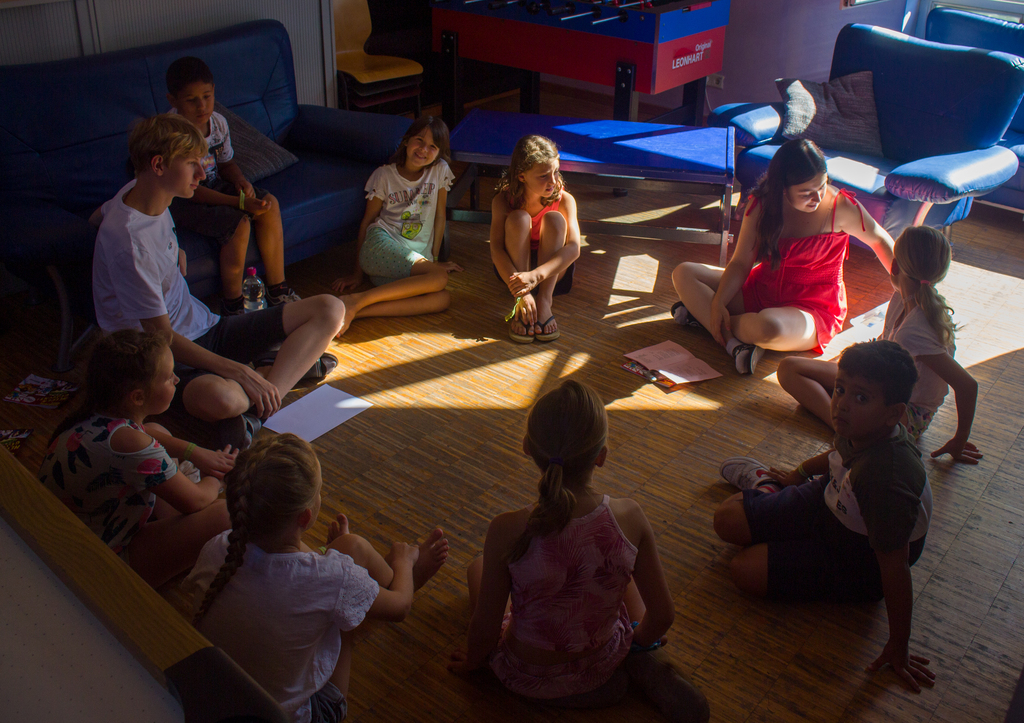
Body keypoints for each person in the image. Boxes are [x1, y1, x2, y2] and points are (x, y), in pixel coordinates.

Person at [448, 380, 709, 722]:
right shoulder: (629, 516)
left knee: (479, 567)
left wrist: (473, 660)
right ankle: (643, 661)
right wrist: (635, 643)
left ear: (527, 447)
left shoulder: (506, 529)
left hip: (527, 677)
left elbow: (485, 628)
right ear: (601, 456)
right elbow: (663, 616)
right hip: (603, 669)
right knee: (619, 569)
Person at [91, 114, 344, 450]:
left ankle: (259, 407)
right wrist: (238, 372)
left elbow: (97, 217)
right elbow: (162, 337)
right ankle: (275, 371)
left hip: (207, 326)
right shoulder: (129, 245)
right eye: (191, 164)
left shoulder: (138, 192)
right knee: (224, 400)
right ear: (158, 165)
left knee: (331, 308)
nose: (202, 174)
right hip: (162, 357)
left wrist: (174, 250)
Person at [713, 340, 935, 693]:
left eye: (860, 397)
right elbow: (837, 455)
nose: (841, 403)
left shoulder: (886, 479)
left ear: (893, 414)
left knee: (744, 570)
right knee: (726, 519)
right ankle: (771, 487)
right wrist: (797, 473)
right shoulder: (860, 427)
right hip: (831, 497)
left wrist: (899, 644)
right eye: (840, 389)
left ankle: (783, 516)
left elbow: (895, 568)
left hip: (860, 556)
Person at [183, 433, 450, 723]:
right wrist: (404, 562)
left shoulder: (219, 546)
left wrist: (337, 563)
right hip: (295, 715)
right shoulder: (333, 578)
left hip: (217, 696)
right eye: (319, 491)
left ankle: (371, 589)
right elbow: (401, 609)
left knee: (350, 551)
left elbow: (287, 572)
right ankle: (402, 581)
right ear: (305, 517)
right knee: (346, 587)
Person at [671, 139, 895, 374]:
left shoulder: (841, 207)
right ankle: (733, 343)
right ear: (782, 189)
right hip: (761, 289)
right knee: (684, 272)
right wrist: (718, 303)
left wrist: (906, 284)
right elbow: (740, 263)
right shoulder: (761, 205)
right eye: (806, 193)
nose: (817, 198)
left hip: (812, 308)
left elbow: (879, 240)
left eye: (822, 186)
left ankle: (706, 319)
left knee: (768, 328)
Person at [38, 330, 233, 588]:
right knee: (224, 515)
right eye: (169, 377)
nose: (176, 379)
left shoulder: (96, 416)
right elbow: (196, 500)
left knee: (158, 432)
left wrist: (194, 452)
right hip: (95, 564)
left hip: (64, 535)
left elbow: (149, 436)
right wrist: (216, 476)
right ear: (138, 396)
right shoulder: (133, 444)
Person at [778, 226, 981, 463]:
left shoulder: (915, 329)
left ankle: (848, 429)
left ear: (894, 266)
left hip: (907, 410)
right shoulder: (900, 300)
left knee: (825, 382)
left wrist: (960, 439)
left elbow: (967, 386)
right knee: (789, 368)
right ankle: (847, 425)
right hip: (879, 382)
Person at [165, 56, 299, 315]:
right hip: (183, 197)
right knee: (239, 223)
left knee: (269, 205)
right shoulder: (173, 133)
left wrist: (241, 181)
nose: (202, 106)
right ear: (173, 100)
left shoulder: (218, 123)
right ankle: (233, 305)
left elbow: (226, 163)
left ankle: (278, 290)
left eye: (207, 96)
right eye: (191, 100)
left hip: (215, 184)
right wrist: (239, 203)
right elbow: (191, 189)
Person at [331, 116, 462, 335]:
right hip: (380, 247)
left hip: (406, 264)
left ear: (439, 152)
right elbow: (368, 221)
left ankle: (355, 311)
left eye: (432, 146)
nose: (423, 150)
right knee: (439, 277)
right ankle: (356, 299)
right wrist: (357, 274)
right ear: (406, 140)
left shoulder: (439, 170)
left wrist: (433, 260)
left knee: (442, 298)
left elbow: (440, 216)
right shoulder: (384, 175)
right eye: (419, 140)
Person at [489, 135, 581, 343]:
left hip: (551, 273)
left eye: (556, 172)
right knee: (519, 218)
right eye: (543, 176)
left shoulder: (565, 200)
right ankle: (521, 302)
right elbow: (496, 250)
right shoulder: (503, 200)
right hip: (514, 272)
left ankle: (544, 301)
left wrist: (536, 276)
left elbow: (574, 248)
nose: (553, 181)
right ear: (521, 176)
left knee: (555, 219)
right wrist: (521, 291)